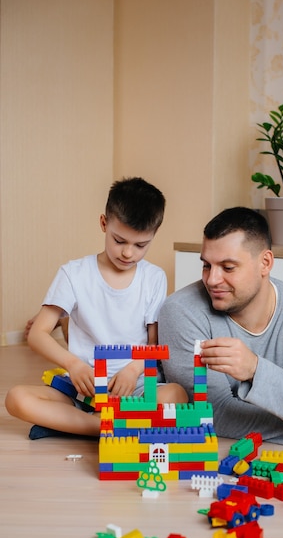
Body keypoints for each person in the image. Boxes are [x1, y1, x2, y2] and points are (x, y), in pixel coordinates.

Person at [158, 207, 283, 450]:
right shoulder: (181, 311)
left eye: (228, 267)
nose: (212, 279)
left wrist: (253, 368)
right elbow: (210, 411)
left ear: (265, 263)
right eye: (207, 265)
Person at [5, 176, 187, 439]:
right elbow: (37, 334)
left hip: (133, 387)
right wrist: (73, 365)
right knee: (16, 398)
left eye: (140, 245)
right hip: (83, 387)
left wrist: (134, 369)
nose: (128, 253)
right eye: (119, 240)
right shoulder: (74, 273)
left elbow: (154, 341)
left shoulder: (154, 277)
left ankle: (83, 424)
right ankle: (102, 426)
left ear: (153, 235)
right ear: (104, 223)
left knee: (176, 396)